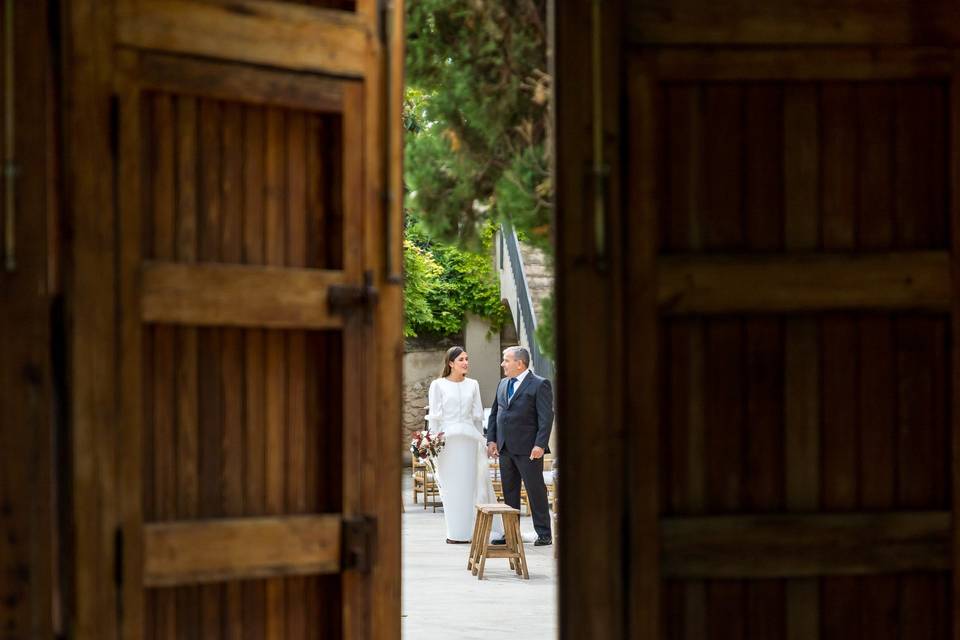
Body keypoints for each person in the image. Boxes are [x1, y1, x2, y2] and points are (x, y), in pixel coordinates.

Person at [428, 346, 503, 543]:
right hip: (447, 443)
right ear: (450, 363)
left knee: (470, 486)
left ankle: (471, 531)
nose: (466, 363)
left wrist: (482, 442)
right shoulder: (438, 385)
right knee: (451, 488)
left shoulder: (473, 384)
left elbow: (478, 417)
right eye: (461, 359)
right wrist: (431, 444)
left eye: (467, 359)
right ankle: (455, 533)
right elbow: (435, 418)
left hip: (469, 442)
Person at [486, 346, 554, 545]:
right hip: (505, 448)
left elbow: (546, 418)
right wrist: (492, 440)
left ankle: (544, 533)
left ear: (519, 363)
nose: (502, 364)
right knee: (509, 493)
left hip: (529, 449)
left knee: (535, 490)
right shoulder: (502, 383)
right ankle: (511, 533)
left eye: (506, 360)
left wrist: (540, 444)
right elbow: (494, 415)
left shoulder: (540, 385)